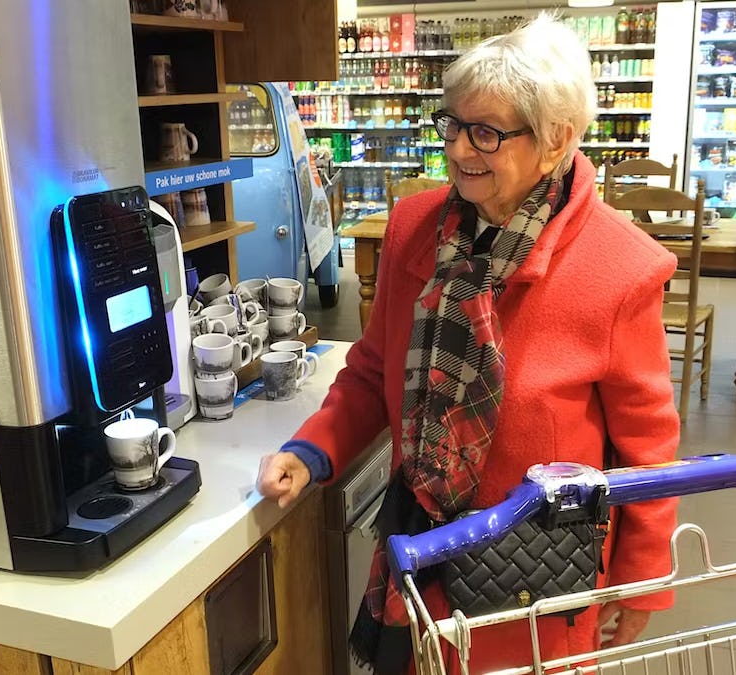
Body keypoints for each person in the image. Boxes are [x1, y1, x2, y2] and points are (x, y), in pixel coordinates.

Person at [255, 14, 680, 674]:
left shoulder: (620, 268)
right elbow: (374, 368)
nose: (457, 149)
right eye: (452, 124)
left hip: (535, 581)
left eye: (485, 132)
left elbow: (647, 444)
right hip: (421, 557)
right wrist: (313, 448)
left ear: (556, 140)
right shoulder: (412, 229)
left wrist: (641, 577)